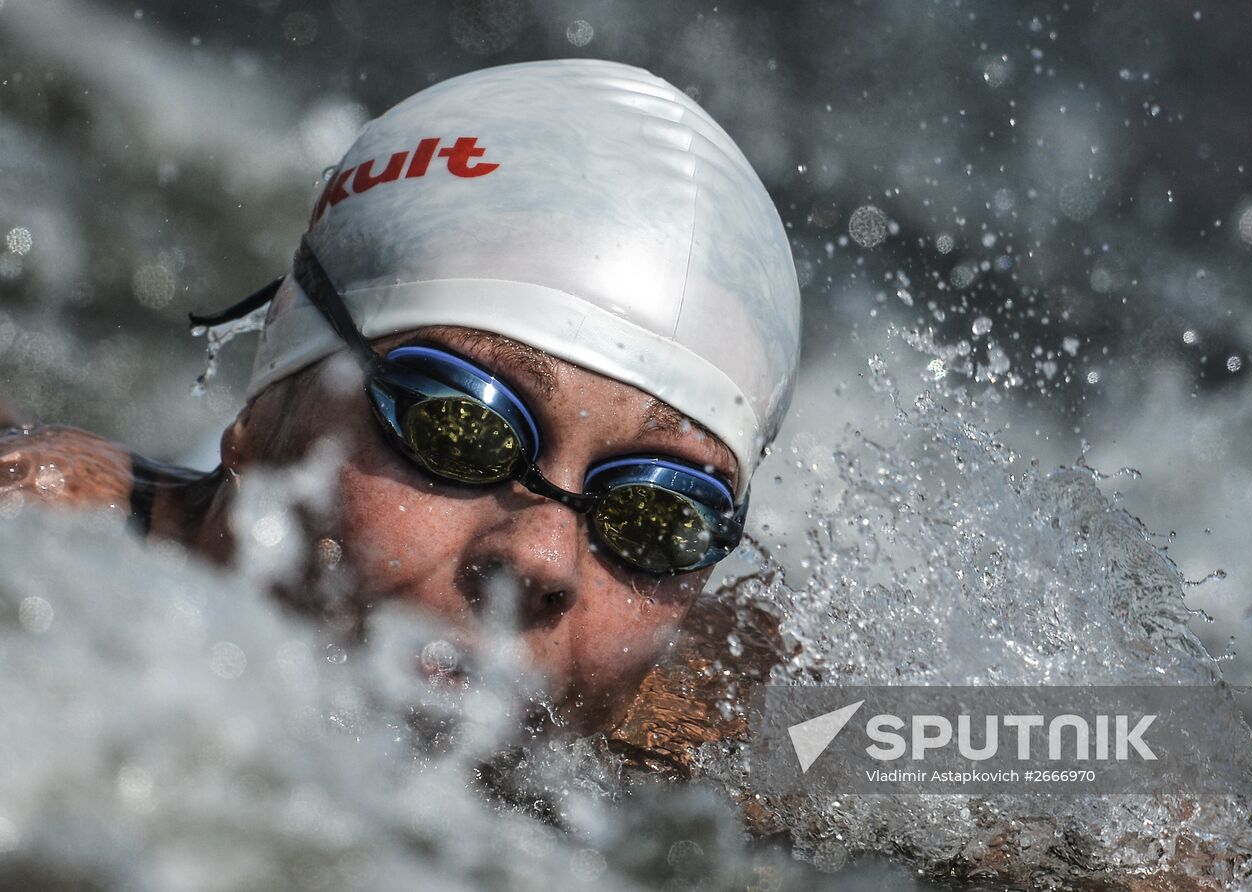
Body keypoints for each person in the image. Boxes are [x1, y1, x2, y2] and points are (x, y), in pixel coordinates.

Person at [0, 59, 801, 742]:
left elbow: (913, 766)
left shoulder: (713, 718)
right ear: (264, 402)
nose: (543, 558)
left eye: (657, 518)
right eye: (461, 429)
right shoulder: (41, 545)